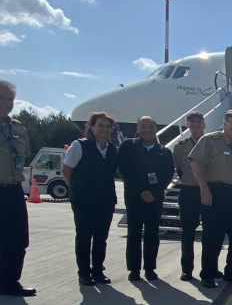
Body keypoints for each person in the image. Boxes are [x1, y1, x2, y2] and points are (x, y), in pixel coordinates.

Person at [189, 110, 232, 289]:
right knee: (213, 236)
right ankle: (207, 274)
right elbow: (196, 162)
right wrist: (204, 188)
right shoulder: (210, 141)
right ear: (224, 123)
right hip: (216, 192)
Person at [62, 112, 119, 286]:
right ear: (92, 127)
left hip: (105, 200)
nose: (104, 129)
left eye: (108, 127)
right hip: (84, 200)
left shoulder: (111, 149)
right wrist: (77, 190)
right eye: (100, 125)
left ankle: (97, 270)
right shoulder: (79, 146)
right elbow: (66, 171)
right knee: (84, 236)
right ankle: (84, 272)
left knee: (101, 238)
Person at [117, 116, 174, 282]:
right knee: (134, 233)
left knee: (152, 233)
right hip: (135, 197)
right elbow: (125, 171)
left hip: (155, 199)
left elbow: (167, 175)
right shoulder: (128, 147)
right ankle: (134, 269)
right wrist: (141, 191)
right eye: (143, 127)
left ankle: (150, 268)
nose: (147, 130)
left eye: (151, 127)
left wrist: (155, 192)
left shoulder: (164, 151)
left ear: (156, 129)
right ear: (138, 128)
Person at [0, 79, 36, 296]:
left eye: (10, 99)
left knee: (17, 239)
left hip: (13, 188)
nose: (6, 103)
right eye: (1, 98)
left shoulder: (18, 129)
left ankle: (10, 282)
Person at [172, 111, 207, 281]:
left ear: (204, 124)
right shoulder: (181, 146)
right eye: (192, 122)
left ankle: (210, 268)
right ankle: (187, 269)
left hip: (209, 191)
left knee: (210, 232)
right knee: (188, 232)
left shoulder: (211, 143)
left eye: (199, 121)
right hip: (189, 191)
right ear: (187, 125)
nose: (195, 125)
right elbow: (178, 168)